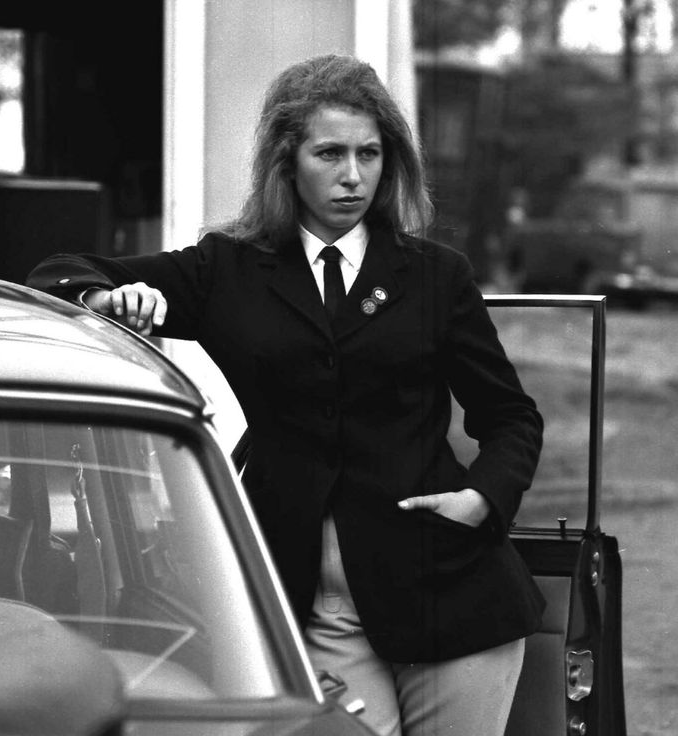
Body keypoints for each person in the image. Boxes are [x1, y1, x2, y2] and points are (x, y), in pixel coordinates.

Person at [27, 53, 544, 736]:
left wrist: (480, 500)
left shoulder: (434, 277)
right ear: (286, 160)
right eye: (329, 153)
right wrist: (106, 297)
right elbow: (56, 275)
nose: (352, 176)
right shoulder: (225, 270)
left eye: (369, 153)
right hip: (311, 606)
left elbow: (509, 416)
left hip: (450, 588)